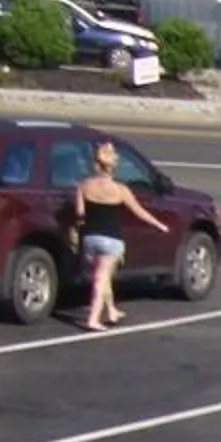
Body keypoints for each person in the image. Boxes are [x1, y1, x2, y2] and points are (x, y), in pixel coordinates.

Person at [70, 140, 166, 329]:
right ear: (113, 168)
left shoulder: (83, 186)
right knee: (101, 277)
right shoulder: (120, 190)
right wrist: (159, 225)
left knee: (102, 275)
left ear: (96, 165)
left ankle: (111, 309)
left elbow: (79, 214)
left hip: (90, 238)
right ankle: (93, 319)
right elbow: (139, 212)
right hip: (112, 240)